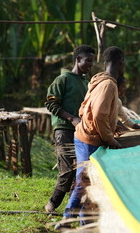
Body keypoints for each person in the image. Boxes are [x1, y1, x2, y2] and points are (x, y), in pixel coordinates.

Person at [56, 46, 124, 229]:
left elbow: (84, 108)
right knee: (83, 181)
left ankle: (84, 224)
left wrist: (112, 125)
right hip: (89, 139)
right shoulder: (109, 84)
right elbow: (100, 114)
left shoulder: (96, 80)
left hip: (85, 135)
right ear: (120, 63)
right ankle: (66, 220)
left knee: (88, 182)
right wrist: (110, 138)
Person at [44, 45, 96, 213]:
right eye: (87, 61)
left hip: (81, 132)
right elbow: (51, 103)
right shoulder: (63, 79)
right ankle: (52, 204)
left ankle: (72, 208)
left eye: (92, 61)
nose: (90, 65)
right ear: (77, 60)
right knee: (67, 171)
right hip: (64, 129)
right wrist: (71, 118)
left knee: (80, 171)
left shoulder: (87, 84)